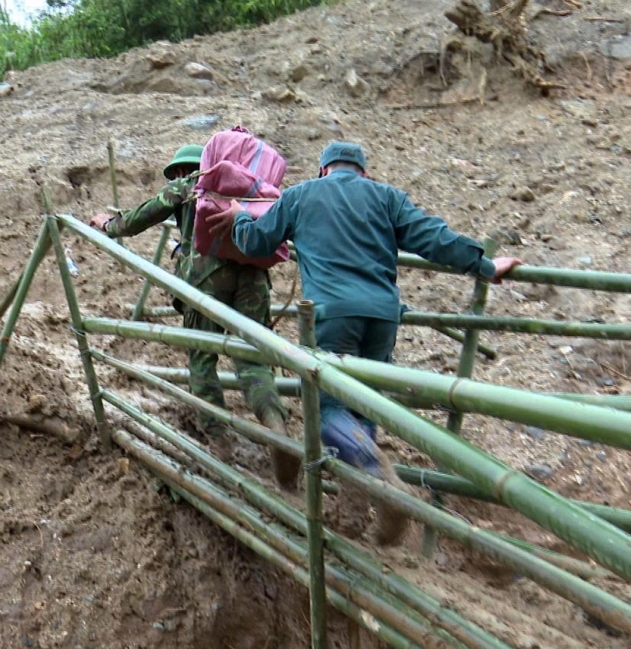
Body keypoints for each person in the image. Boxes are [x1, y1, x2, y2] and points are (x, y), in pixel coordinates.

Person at [214, 141, 522, 540]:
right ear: (363, 171)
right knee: (363, 406)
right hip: (382, 316)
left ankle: (385, 482)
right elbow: (433, 238)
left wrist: (239, 218)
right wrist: (483, 266)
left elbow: (255, 242)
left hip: (333, 315)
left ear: (323, 169)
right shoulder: (387, 197)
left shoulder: (300, 195)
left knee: (327, 410)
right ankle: (354, 510)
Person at [90, 144, 302, 487]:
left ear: (181, 169)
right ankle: (277, 427)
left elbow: (139, 218)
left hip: (206, 280)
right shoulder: (245, 189)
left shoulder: (188, 184)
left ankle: (219, 443)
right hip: (254, 279)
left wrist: (107, 224)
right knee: (252, 362)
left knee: (202, 358)